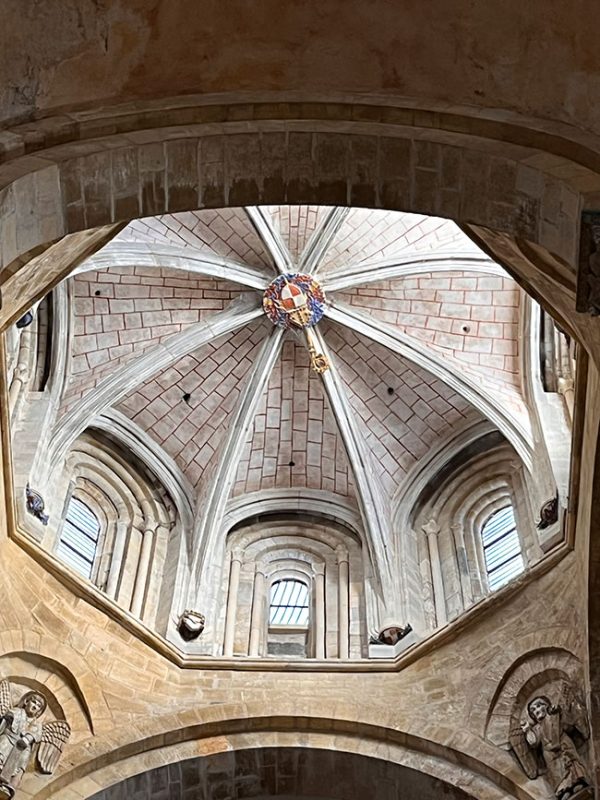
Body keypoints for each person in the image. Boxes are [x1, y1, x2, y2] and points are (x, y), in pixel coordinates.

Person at [520, 695, 589, 799]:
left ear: (547, 705)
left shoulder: (555, 716)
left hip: (563, 745)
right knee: (556, 771)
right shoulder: (537, 728)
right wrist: (527, 730)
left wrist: (560, 713)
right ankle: (563, 790)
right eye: (533, 710)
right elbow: (533, 742)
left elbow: (568, 726)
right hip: (550, 754)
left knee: (569, 763)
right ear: (532, 715)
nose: (537, 710)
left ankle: (577, 782)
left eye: (539, 705)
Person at [0, 691, 46, 791]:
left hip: (22, 747)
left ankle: (10, 786)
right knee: (3, 744)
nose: (35, 706)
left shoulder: (37, 724)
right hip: (9, 738)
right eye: (34, 702)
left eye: (38, 706)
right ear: (26, 701)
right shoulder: (16, 711)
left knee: (23, 759)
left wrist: (28, 738)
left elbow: (36, 735)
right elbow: (5, 721)